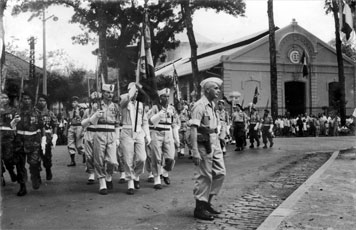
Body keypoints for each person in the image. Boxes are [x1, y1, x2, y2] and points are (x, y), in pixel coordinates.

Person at [190, 77, 226, 221]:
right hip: (203, 143)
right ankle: (200, 207)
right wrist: (195, 151)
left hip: (214, 142)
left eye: (218, 88)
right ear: (207, 90)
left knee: (220, 173)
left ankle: (207, 203)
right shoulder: (200, 106)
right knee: (204, 175)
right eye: (215, 88)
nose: (218, 91)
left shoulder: (212, 105)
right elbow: (193, 129)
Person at [82, 84, 120, 195]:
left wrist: (117, 138)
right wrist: (95, 116)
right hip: (99, 134)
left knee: (112, 161)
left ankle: (108, 176)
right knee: (98, 159)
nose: (110, 95)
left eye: (112, 93)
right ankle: (102, 182)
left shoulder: (116, 107)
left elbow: (117, 124)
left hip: (112, 135)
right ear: (103, 93)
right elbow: (85, 123)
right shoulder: (96, 106)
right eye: (108, 92)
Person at [11, 92, 44, 196]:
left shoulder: (37, 113)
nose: (26, 101)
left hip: (33, 141)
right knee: (20, 165)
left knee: (34, 163)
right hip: (19, 141)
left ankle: (35, 176)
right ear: (22, 100)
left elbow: (41, 127)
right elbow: (11, 126)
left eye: (28, 99)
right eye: (24, 99)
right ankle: (22, 186)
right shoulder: (16, 112)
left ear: (32, 100)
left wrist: (43, 140)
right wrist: (14, 122)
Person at [119, 83, 150, 195]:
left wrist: (148, 135)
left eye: (137, 91)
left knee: (142, 158)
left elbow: (145, 121)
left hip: (138, 132)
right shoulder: (124, 100)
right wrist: (130, 93)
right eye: (133, 91)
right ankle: (130, 182)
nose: (135, 93)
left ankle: (136, 175)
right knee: (128, 158)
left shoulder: (140, 105)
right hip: (127, 131)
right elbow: (123, 102)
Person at [147, 88, 179, 190]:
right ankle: (157, 179)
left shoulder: (172, 109)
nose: (166, 98)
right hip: (157, 132)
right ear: (160, 98)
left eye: (167, 96)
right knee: (156, 157)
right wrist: (159, 115)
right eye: (163, 96)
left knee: (171, 157)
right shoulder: (155, 108)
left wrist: (176, 138)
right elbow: (150, 121)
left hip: (168, 132)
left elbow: (174, 124)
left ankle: (164, 173)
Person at [35, 94, 58, 181]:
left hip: (47, 138)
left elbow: (55, 124)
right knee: (35, 157)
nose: (41, 102)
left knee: (46, 157)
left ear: (46, 102)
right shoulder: (33, 112)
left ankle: (48, 170)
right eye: (40, 100)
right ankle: (37, 175)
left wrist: (55, 135)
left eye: (43, 100)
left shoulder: (50, 113)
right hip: (35, 137)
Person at [81, 91, 101, 185]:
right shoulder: (87, 111)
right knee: (89, 155)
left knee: (99, 155)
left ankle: (101, 173)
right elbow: (82, 124)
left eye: (98, 101)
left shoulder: (102, 112)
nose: (95, 104)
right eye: (94, 102)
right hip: (89, 133)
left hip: (99, 133)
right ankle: (91, 173)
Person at [0, 93, 17, 185]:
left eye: (6, 98)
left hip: (8, 138)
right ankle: (1, 177)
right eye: (2, 97)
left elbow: (16, 124)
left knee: (8, 158)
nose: (4, 99)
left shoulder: (13, 110)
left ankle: (11, 171)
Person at [66, 96, 85, 166]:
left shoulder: (81, 110)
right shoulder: (70, 110)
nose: (73, 103)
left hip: (79, 126)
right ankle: (72, 161)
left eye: (74, 102)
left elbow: (84, 120)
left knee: (79, 144)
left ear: (77, 102)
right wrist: (66, 130)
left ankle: (84, 155)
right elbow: (68, 120)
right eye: (72, 102)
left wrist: (83, 130)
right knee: (70, 143)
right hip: (72, 126)